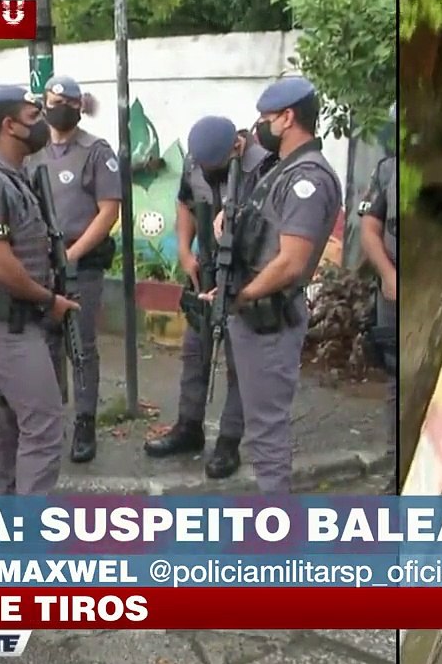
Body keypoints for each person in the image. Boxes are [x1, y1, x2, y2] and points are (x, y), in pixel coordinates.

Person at [199, 77, 341, 493]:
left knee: (267, 434)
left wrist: (241, 296)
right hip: (254, 314)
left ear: (288, 118)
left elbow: (292, 263)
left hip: (270, 318)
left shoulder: (307, 179)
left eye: (266, 119)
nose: (259, 127)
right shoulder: (282, 171)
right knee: (260, 426)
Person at [0, 86, 79, 495]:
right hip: (6, 322)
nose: (42, 121)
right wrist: (48, 300)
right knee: (43, 425)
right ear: (8, 125)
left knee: (5, 413)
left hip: (15, 319)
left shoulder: (15, 177)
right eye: (33, 115)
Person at [143, 116, 275, 480]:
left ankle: (229, 441)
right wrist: (185, 252)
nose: (206, 171)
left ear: (236, 145)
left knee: (240, 361)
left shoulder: (267, 166)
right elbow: (186, 203)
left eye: (214, 167)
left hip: (249, 273)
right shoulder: (194, 163)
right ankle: (189, 428)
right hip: (206, 268)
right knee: (195, 352)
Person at [27, 75, 121, 464]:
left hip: (81, 266)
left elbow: (109, 210)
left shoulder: (96, 151)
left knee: (81, 346)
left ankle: (85, 422)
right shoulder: (33, 151)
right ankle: (50, 420)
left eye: (68, 101)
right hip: (39, 266)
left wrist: (75, 253)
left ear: (79, 107)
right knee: (44, 345)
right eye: (54, 100)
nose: (60, 107)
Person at [358, 105, 399, 494]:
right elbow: (369, 228)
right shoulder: (387, 171)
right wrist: (387, 273)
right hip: (392, 290)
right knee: (394, 378)